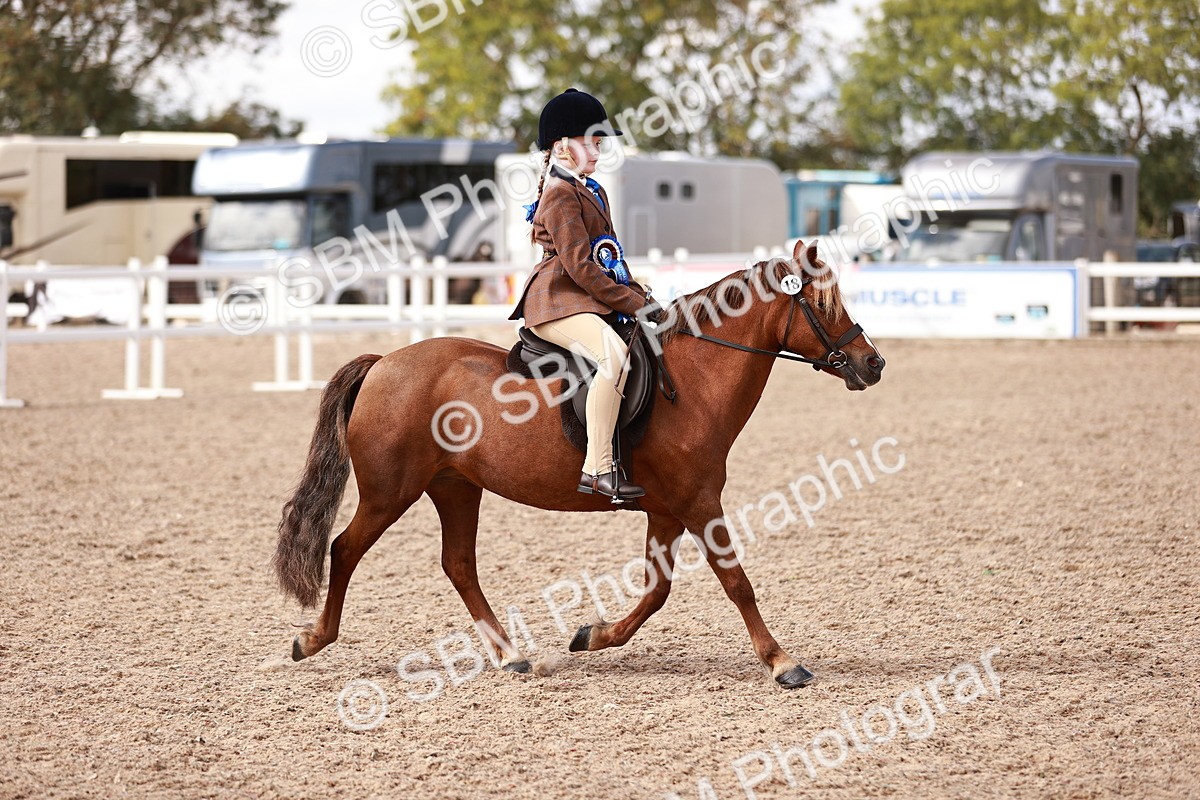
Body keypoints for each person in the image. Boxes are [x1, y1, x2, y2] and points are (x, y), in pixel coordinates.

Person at [509, 88, 658, 499]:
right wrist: (634, 304)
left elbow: (608, 257)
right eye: (590, 142)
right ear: (562, 146)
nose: (597, 151)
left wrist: (638, 292)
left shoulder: (592, 189)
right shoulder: (560, 194)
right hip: (556, 300)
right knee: (614, 356)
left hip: (582, 296)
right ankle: (597, 468)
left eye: (599, 143)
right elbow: (580, 267)